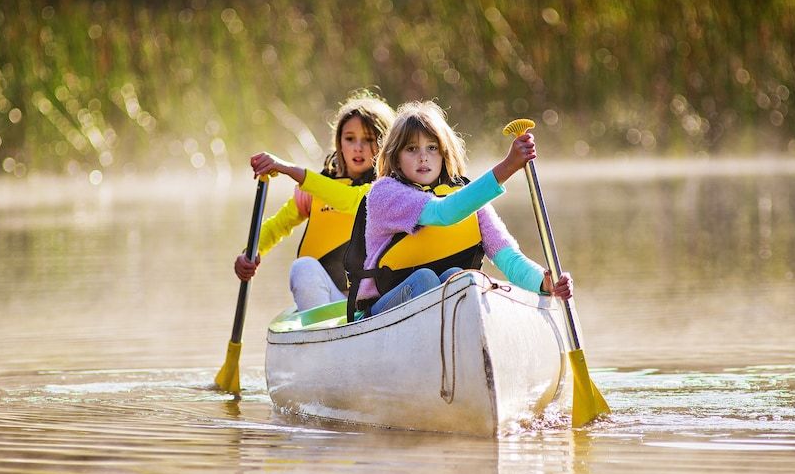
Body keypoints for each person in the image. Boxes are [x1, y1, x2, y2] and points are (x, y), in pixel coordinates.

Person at [346, 100, 573, 320]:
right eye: (412, 149)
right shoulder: (385, 193)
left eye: (432, 148)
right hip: (379, 315)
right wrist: (508, 166)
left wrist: (544, 282)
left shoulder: (466, 198)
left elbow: (509, 258)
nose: (423, 156)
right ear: (396, 158)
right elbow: (444, 213)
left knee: (461, 279)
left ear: (444, 154)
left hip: (442, 315)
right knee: (425, 279)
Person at [234, 91, 395, 311]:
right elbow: (278, 225)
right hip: (330, 303)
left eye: (368, 140)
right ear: (339, 143)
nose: (358, 148)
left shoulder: (388, 188)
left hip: (373, 305)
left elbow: (352, 200)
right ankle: (320, 337)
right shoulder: (313, 190)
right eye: (350, 139)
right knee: (303, 268)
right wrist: (251, 251)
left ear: (385, 144)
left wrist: (290, 169)